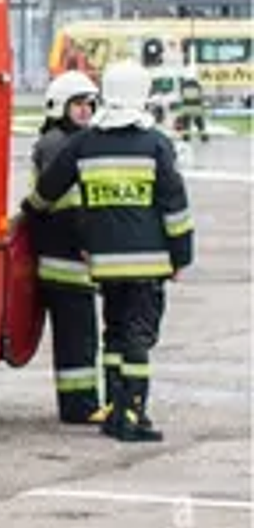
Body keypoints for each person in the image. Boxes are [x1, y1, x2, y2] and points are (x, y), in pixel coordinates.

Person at [25, 59, 195, 444]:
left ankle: (117, 413)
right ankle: (133, 416)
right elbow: (175, 207)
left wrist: (27, 213)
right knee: (137, 338)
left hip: (103, 266)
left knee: (114, 336)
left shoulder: (84, 143)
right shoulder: (156, 145)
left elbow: (48, 190)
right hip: (148, 264)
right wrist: (181, 256)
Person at [27, 69, 104, 425]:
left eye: (90, 104)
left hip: (61, 257)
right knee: (78, 338)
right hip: (67, 260)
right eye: (78, 105)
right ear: (60, 106)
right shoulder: (61, 145)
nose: (86, 111)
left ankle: (81, 403)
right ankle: (80, 406)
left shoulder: (57, 141)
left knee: (78, 336)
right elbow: (73, 207)